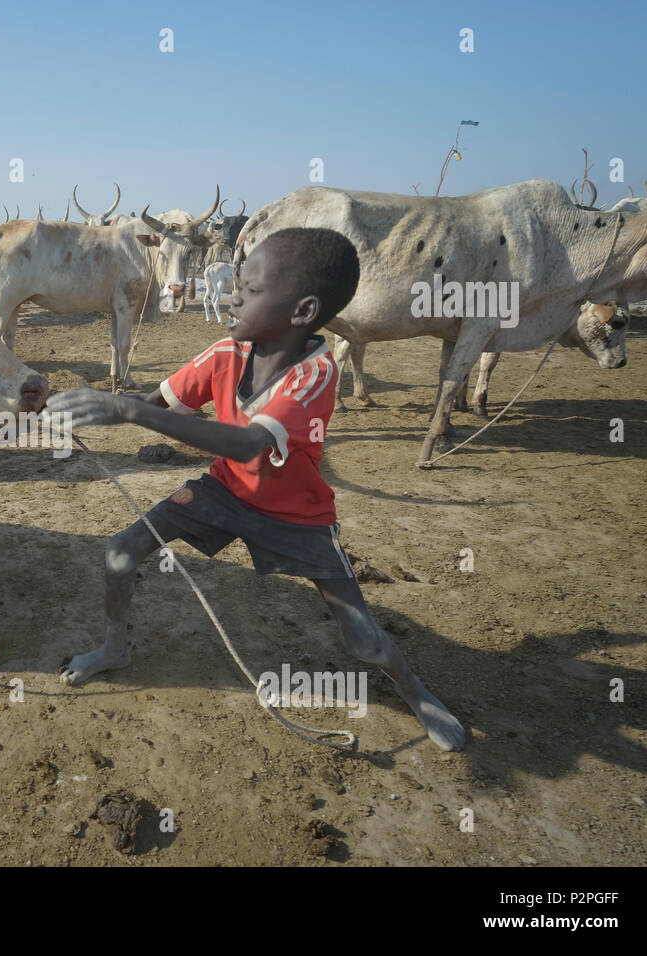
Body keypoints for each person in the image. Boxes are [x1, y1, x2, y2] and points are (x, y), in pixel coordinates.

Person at [45, 227, 465, 751]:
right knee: (120, 552)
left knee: (365, 641)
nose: (235, 295)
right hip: (224, 492)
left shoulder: (315, 373)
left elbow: (247, 445)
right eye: (238, 284)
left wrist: (123, 408)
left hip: (297, 517)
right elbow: (155, 405)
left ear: (303, 310)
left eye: (252, 289)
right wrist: (64, 406)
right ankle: (114, 647)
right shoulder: (224, 352)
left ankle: (416, 692)